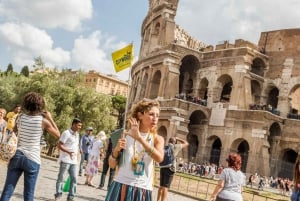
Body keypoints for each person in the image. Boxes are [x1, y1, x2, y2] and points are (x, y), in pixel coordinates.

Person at [0, 92, 60, 201]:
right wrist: (50, 118)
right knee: (29, 194)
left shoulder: (20, 117)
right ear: (40, 105)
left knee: (7, 190)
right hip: (33, 159)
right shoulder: (43, 121)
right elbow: (58, 134)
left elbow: (14, 133)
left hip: (17, 156)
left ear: (26, 104)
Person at [105, 99, 164, 201]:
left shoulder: (157, 139)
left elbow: (159, 158)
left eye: (157, 115)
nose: (155, 118)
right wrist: (116, 150)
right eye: (151, 114)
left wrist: (139, 138)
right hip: (121, 185)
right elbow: (112, 165)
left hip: (143, 189)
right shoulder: (123, 134)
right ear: (140, 115)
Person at [54, 118, 82, 201]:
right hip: (65, 159)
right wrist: (68, 151)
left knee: (74, 179)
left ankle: (71, 197)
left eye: (81, 126)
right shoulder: (66, 133)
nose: (80, 127)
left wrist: (78, 151)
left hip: (73, 161)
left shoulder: (77, 134)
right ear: (73, 124)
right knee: (61, 178)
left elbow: (75, 145)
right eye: (78, 125)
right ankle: (58, 195)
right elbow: (60, 145)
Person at [157, 136, 189, 201]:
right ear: (174, 142)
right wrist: (178, 138)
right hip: (170, 168)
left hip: (162, 167)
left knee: (161, 186)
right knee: (166, 187)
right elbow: (186, 143)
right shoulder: (176, 147)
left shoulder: (164, 147)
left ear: (169, 141)